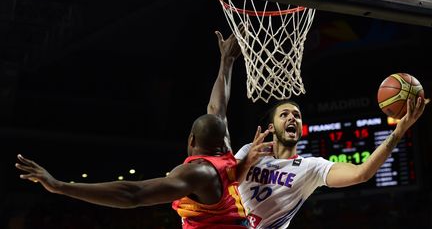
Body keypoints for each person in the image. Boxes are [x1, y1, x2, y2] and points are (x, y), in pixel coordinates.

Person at [208, 31, 428, 228]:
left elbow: (362, 173)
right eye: (284, 114)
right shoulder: (250, 151)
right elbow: (215, 119)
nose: (292, 118)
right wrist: (226, 62)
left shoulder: (311, 168)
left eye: (297, 115)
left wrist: (398, 132)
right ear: (271, 128)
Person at [16, 113, 252, 229]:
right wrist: (225, 63)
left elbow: (133, 194)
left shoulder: (199, 172)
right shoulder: (227, 157)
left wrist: (59, 186)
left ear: (191, 139)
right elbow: (217, 108)